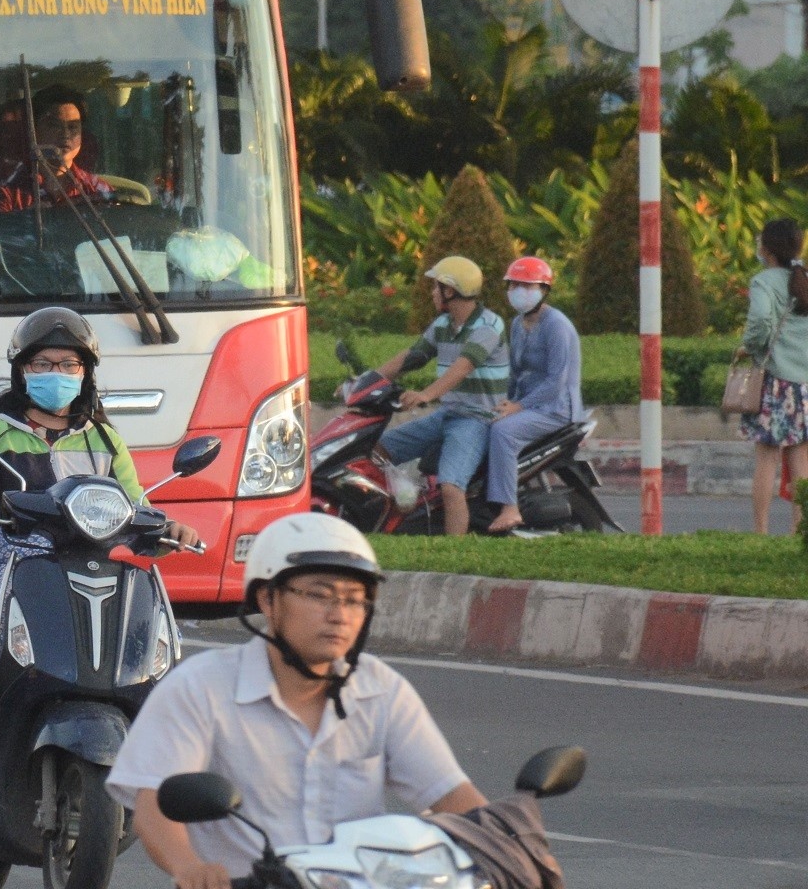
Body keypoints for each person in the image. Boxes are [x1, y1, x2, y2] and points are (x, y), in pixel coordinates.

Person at [107, 513, 486, 888]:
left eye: (355, 600)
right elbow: (154, 805)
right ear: (268, 600)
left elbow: (451, 794)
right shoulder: (200, 686)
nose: (339, 615)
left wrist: (515, 850)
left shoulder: (381, 690)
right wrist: (189, 867)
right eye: (319, 595)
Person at [0, 306, 200, 800]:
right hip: (13, 561)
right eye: (44, 364)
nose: (57, 374)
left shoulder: (104, 440)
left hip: (92, 562)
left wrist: (166, 528)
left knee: (155, 630)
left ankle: (159, 751)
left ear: (86, 374)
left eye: (69, 365)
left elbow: (135, 508)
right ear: (22, 371)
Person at [373, 257, 509, 535]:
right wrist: (367, 382)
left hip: (477, 419)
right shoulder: (443, 324)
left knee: (450, 486)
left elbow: (462, 367)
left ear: (451, 291)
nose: (432, 293)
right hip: (447, 414)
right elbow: (412, 357)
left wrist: (426, 394)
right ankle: (391, 522)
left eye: (436, 287)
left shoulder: (488, 326)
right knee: (378, 450)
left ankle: (453, 551)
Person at [485, 257, 584, 535]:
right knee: (483, 422)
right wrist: (505, 403)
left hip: (556, 410)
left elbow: (557, 381)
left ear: (544, 290)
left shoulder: (557, 326)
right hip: (528, 407)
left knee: (503, 433)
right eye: (514, 285)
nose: (518, 291)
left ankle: (509, 507)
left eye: (526, 286)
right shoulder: (517, 324)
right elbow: (515, 373)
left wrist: (518, 406)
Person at [740, 218, 808, 535]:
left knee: (767, 460)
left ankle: (760, 532)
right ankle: (799, 532)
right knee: (801, 464)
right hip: (805, 385)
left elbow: (761, 322)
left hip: (777, 382)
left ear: (767, 249)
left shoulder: (764, 282)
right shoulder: (804, 279)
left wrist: (751, 348)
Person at [0, 85, 151, 214]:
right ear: (34, 131)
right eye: (54, 125)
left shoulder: (98, 190)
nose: (66, 135)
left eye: (73, 127)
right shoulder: (8, 190)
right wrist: (26, 222)